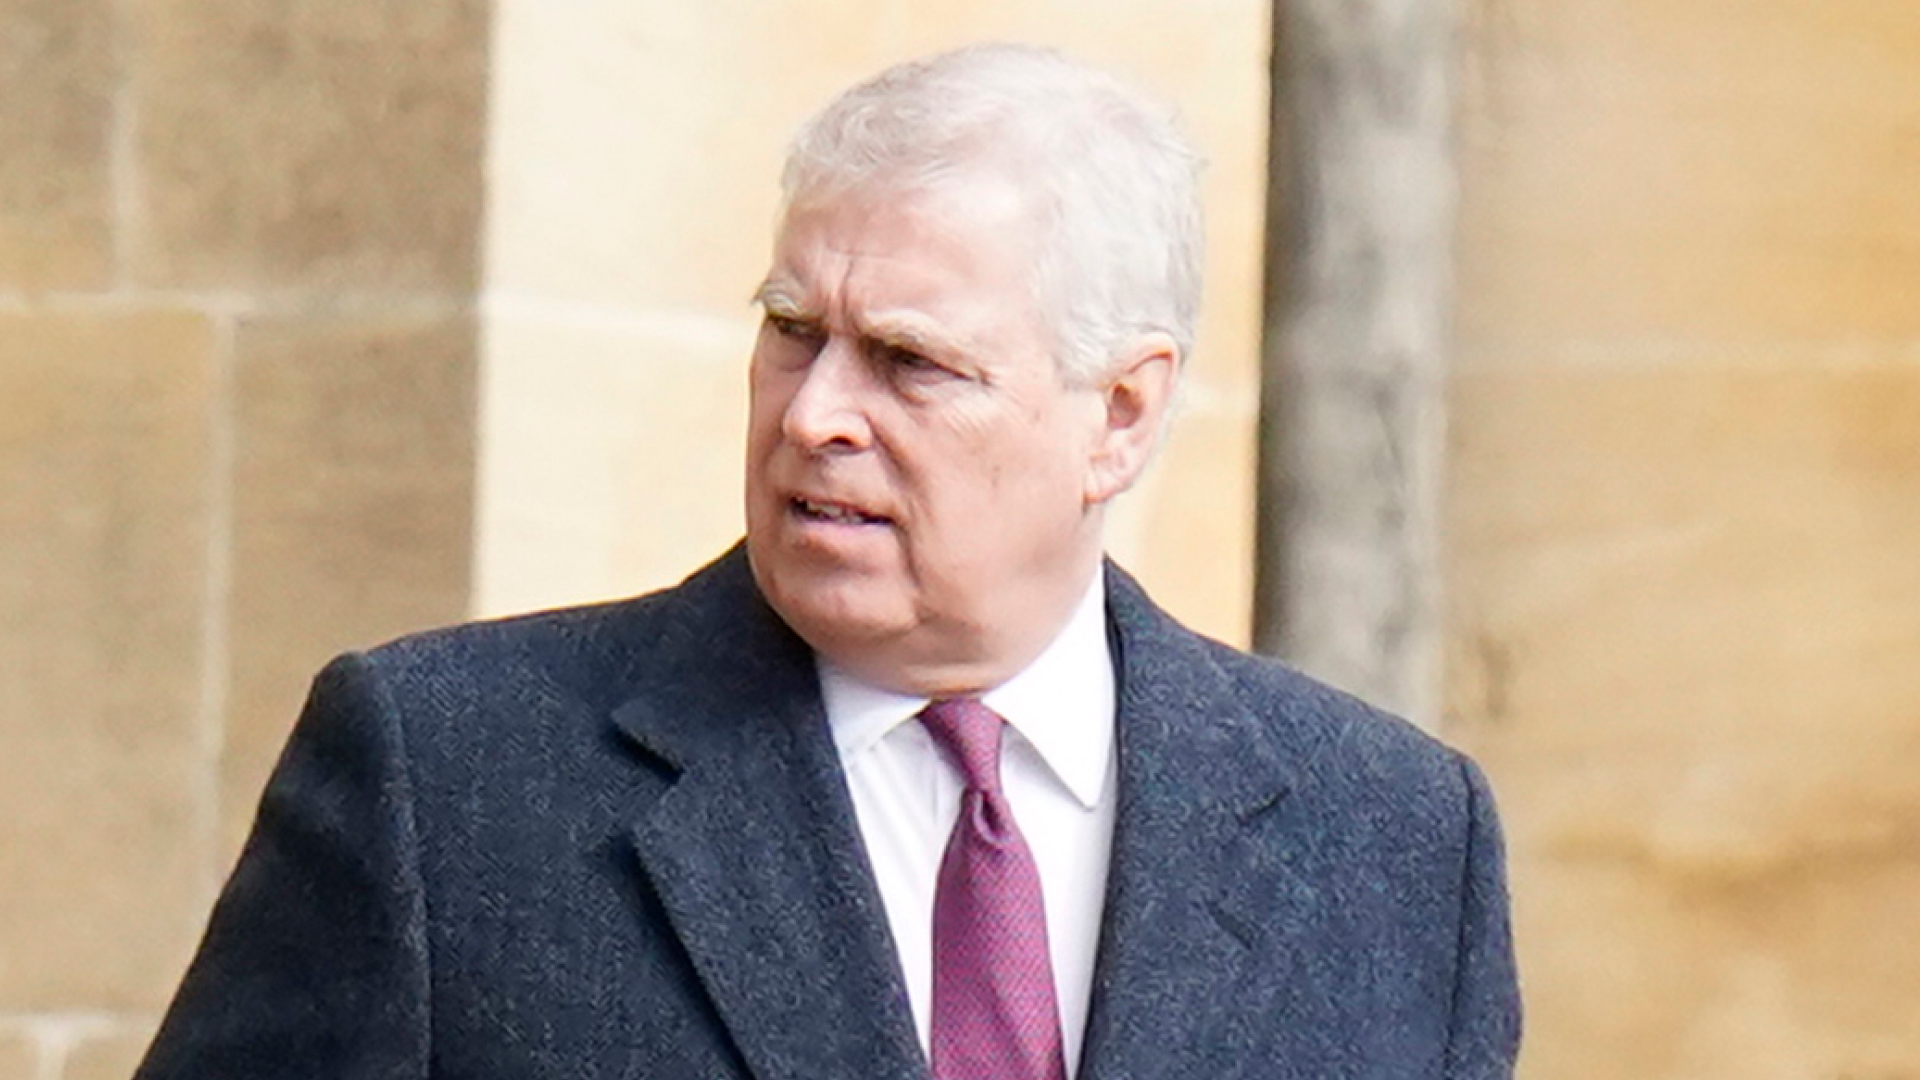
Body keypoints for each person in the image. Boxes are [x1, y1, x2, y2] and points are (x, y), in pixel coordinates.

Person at [135, 43, 1519, 1080]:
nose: (814, 417)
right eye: (793, 332)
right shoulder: (445, 777)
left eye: (909, 361)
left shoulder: (1395, 839)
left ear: (1120, 413)